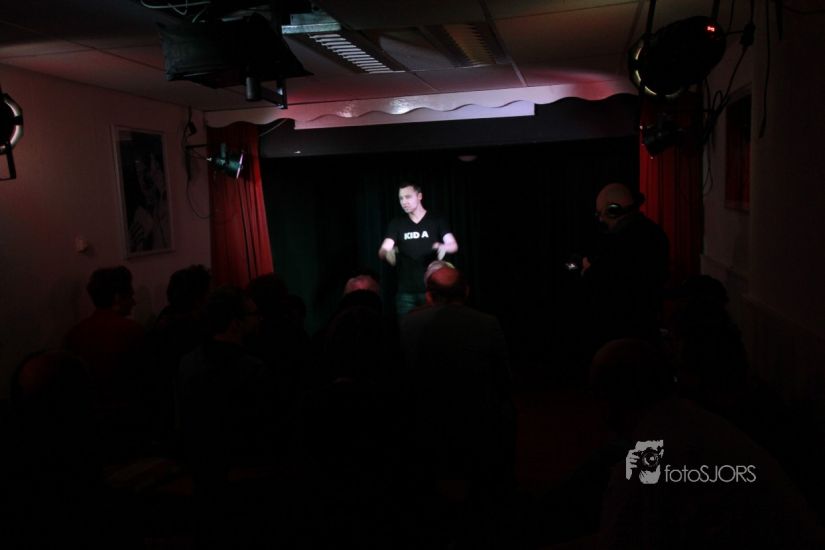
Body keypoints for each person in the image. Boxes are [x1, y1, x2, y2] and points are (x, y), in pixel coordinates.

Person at [581, 182, 669, 351]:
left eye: (601, 213)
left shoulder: (617, 242)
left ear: (613, 210)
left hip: (618, 331)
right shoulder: (657, 234)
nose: (600, 219)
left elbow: (599, 283)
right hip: (647, 327)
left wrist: (588, 269)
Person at [378, 183, 458, 316]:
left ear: (419, 196)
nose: (404, 202)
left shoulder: (436, 220)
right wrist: (386, 252)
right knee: (407, 327)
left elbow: (453, 245)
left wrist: (443, 246)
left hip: (432, 290)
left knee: (433, 326)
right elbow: (384, 249)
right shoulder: (397, 223)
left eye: (408, 197)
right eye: (401, 198)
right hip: (406, 293)